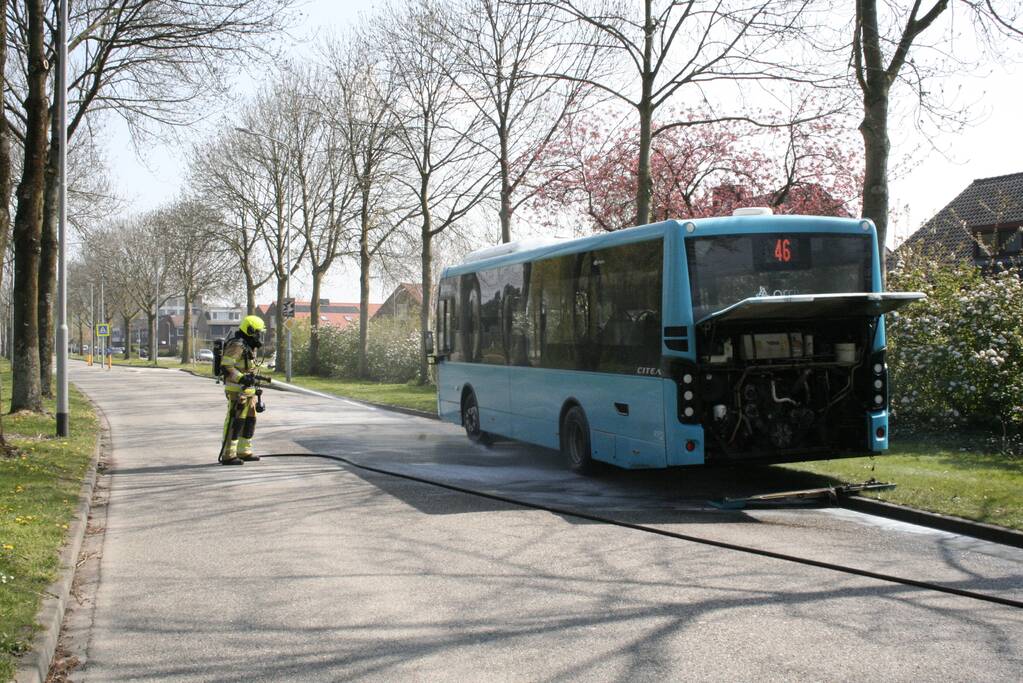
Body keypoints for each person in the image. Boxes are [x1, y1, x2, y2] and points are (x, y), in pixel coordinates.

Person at [219, 315, 266, 465]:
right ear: (250, 330)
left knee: (250, 420)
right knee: (236, 421)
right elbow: (226, 366)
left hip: (249, 391)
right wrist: (241, 378)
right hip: (236, 390)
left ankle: (244, 451)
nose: (259, 335)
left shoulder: (248, 345)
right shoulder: (237, 345)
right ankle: (228, 454)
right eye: (258, 332)